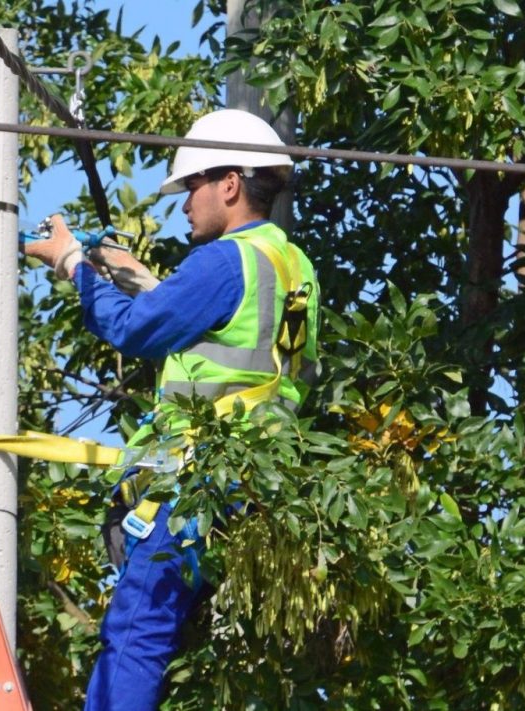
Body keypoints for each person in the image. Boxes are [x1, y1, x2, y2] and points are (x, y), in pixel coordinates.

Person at [24, 108, 320, 711]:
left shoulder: (222, 260)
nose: (185, 204)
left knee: (137, 633)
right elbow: (236, 348)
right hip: (257, 476)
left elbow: (136, 331)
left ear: (230, 184)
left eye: (192, 188)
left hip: (198, 476)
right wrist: (139, 277)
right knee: (182, 636)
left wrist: (72, 264)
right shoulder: (290, 265)